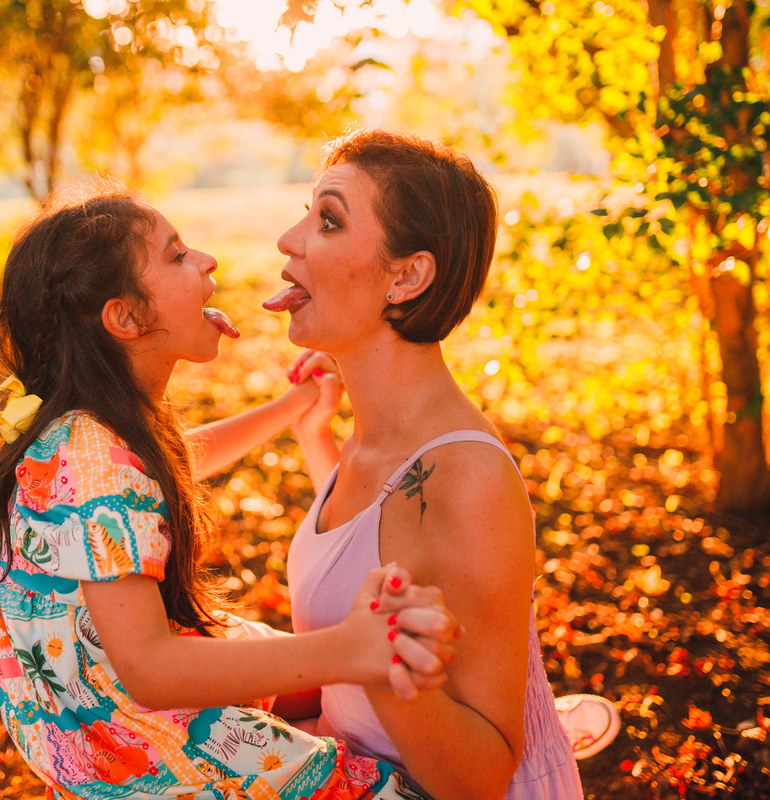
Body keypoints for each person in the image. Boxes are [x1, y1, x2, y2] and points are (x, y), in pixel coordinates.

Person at [0, 184, 464, 800]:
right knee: (377, 768)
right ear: (127, 318)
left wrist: (294, 407)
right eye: (177, 256)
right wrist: (349, 650)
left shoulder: (81, 432)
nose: (207, 260)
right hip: (133, 747)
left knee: (320, 682)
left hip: (75, 721)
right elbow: (151, 670)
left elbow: (169, 464)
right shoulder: (94, 457)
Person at [264, 128, 588, 800]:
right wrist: (314, 435)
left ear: (406, 276)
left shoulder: (467, 480)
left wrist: (382, 669)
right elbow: (369, 550)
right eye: (306, 214)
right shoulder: (372, 439)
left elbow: (482, 776)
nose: (289, 241)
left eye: (328, 220)